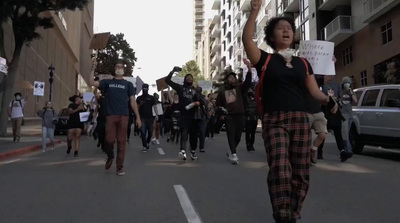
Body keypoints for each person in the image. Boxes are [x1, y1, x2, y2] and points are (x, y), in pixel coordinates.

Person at [242, 2, 337, 222]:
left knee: (301, 172)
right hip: (274, 120)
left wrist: (329, 100)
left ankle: (294, 213)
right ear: (271, 36)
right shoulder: (264, 59)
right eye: (280, 28)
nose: (286, 30)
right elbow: (247, 40)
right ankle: (282, 214)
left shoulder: (303, 63)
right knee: (280, 167)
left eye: (289, 28)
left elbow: (315, 92)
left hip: (301, 120)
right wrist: (255, 11)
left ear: (293, 36)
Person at [89, 59, 141, 176]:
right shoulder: (107, 82)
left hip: (124, 115)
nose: (119, 68)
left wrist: (138, 117)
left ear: (124, 70)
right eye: (117, 66)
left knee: (122, 142)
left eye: (121, 67)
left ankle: (120, 167)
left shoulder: (128, 85)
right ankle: (110, 156)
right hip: (111, 115)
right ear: (114, 69)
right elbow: (92, 82)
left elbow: (133, 102)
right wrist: (92, 69)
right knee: (109, 139)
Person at [165, 67, 202, 161]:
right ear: (184, 79)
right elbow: (167, 80)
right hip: (184, 116)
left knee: (194, 136)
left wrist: (198, 102)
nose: (189, 79)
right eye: (187, 77)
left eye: (191, 78)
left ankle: (193, 152)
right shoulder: (180, 88)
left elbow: (201, 101)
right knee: (184, 134)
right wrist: (172, 71)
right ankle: (183, 151)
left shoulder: (195, 90)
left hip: (194, 116)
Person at [216, 70, 251, 164]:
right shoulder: (223, 92)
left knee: (238, 137)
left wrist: (249, 70)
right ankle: (234, 154)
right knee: (231, 135)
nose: (231, 80)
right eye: (229, 78)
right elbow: (218, 105)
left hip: (240, 116)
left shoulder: (239, 89)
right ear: (227, 81)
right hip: (229, 116)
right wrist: (221, 115)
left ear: (235, 80)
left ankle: (231, 150)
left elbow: (247, 83)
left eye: (233, 78)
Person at [318, 75, 350, 162]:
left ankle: (342, 151)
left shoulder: (337, 85)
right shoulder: (322, 85)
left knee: (338, 132)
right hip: (325, 109)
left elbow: (340, 98)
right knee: (323, 131)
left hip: (335, 110)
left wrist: (337, 105)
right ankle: (319, 151)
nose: (331, 76)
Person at [243, 60, 259, 152]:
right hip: (248, 116)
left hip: (255, 117)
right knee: (248, 131)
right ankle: (248, 144)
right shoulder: (245, 97)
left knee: (253, 132)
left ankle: (251, 143)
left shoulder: (257, 97)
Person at [340, 76, 358, 154]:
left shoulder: (351, 92)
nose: (347, 84)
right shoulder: (340, 92)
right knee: (345, 132)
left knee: (347, 133)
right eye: (346, 83)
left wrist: (351, 93)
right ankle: (348, 149)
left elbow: (355, 101)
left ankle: (347, 148)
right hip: (343, 115)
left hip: (350, 114)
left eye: (348, 83)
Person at [136, 84, 156, 152]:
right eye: (144, 89)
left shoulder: (151, 98)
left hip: (150, 117)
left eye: (146, 89)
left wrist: (156, 115)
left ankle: (147, 142)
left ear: (148, 89)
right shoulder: (139, 98)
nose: (145, 90)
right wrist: (140, 105)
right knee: (143, 132)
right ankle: (144, 146)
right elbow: (136, 107)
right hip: (142, 117)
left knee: (150, 132)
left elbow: (154, 106)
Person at [194, 87, 208, 153]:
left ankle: (201, 147)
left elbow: (205, 104)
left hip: (202, 117)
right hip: (194, 116)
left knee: (202, 132)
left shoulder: (203, 98)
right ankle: (193, 146)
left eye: (199, 91)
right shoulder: (192, 97)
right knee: (194, 133)